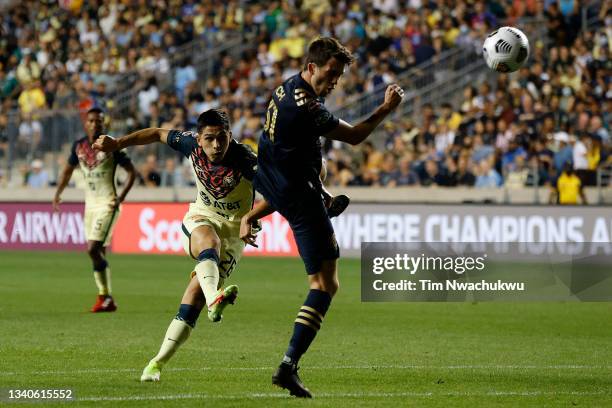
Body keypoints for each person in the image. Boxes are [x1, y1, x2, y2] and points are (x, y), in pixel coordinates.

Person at [240, 37, 404, 398]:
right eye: (331, 74)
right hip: (299, 197)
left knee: (322, 165)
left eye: (340, 76)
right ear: (312, 67)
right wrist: (387, 107)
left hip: (274, 177)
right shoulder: (309, 109)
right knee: (325, 283)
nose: (335, 82)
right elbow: (358, 136)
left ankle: (321, 193)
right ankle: (288, 365)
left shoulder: (286, 88)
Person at [93, 109, 258, 382]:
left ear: (230, 135)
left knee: (192, 299)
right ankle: (214, 297)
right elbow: (157, 133)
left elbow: (279, 194)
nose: (216, 145)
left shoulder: (247, 161)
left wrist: (252, 217)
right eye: (209, 139)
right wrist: (118, 143)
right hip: (202, 217)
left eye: (221, 138)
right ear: (199, 137)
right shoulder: (190, 144)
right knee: (209, 241)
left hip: (234, 234)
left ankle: (155, 364)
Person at [53, 107, 136, 312]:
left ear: (103, 123)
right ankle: (106, 298)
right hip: (90, 206)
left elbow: (132, 173)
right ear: (86, 123)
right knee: (99, 251)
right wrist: (58, 193)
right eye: (91, 121)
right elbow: (67, 171)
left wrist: (120, 198)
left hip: (108, 204)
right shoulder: (79, 145)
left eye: (99, 121)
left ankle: (105, 296)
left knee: (92, 249)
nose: (95, 124)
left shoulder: (112, 145)